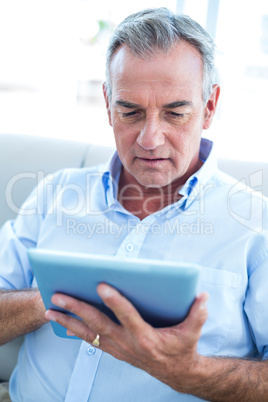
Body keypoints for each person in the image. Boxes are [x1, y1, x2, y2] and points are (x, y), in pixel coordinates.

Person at [0, 7, 268, 401]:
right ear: (108, 103)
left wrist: (191, 373)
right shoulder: (57, 192)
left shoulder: (255, 224)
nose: (149, 138)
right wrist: (58, 298)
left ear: (209, 108)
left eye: (175, 112)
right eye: (130, 111)